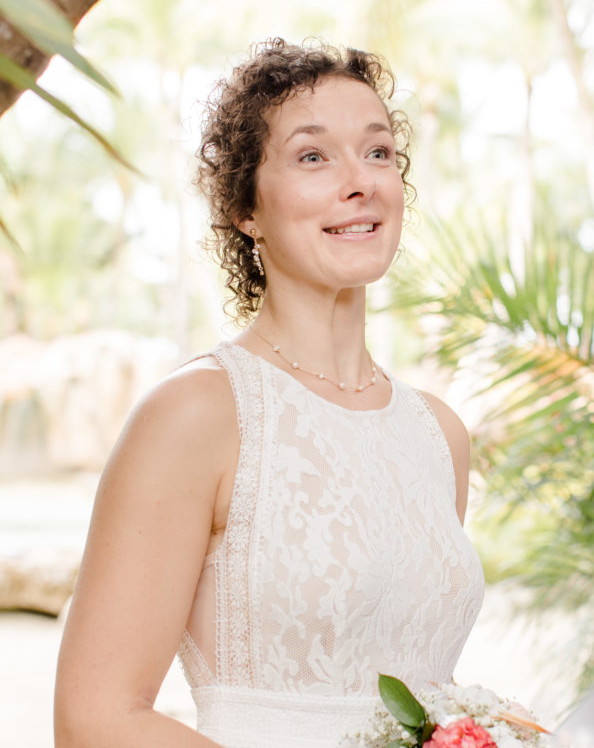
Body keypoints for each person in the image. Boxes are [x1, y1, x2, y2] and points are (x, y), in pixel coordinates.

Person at [54, 38, 485, 748]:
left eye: (378, 153)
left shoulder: (439, 435)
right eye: (314, 157)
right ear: (245, 208)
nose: (360, 182)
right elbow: (95, 719)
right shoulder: (196, 414)